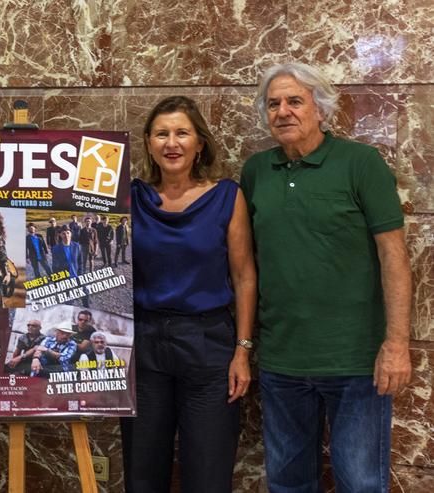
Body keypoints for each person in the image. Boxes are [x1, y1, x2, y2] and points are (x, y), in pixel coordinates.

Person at [240, 62, 412, 492]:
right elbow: (245, 265)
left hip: (356, 363)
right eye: (273, 103)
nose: (283, 111)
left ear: (321, 108)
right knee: (288, 484)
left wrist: (396, 345)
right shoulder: (256, 171)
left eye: (295, 101)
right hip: (282, 361)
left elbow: (394, 255)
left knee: (361, 483)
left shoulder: (360, 162)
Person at [121, 95, 256, 493]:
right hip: (144, 345)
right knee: (142, 473)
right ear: (148, 143)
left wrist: (242, 350)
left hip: (208, 344)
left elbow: (245, 276)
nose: (171, 142)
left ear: (200, 143)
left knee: (209, 474)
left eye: (182, 132)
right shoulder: (131, 199)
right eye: (161, 134)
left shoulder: (227, 197)